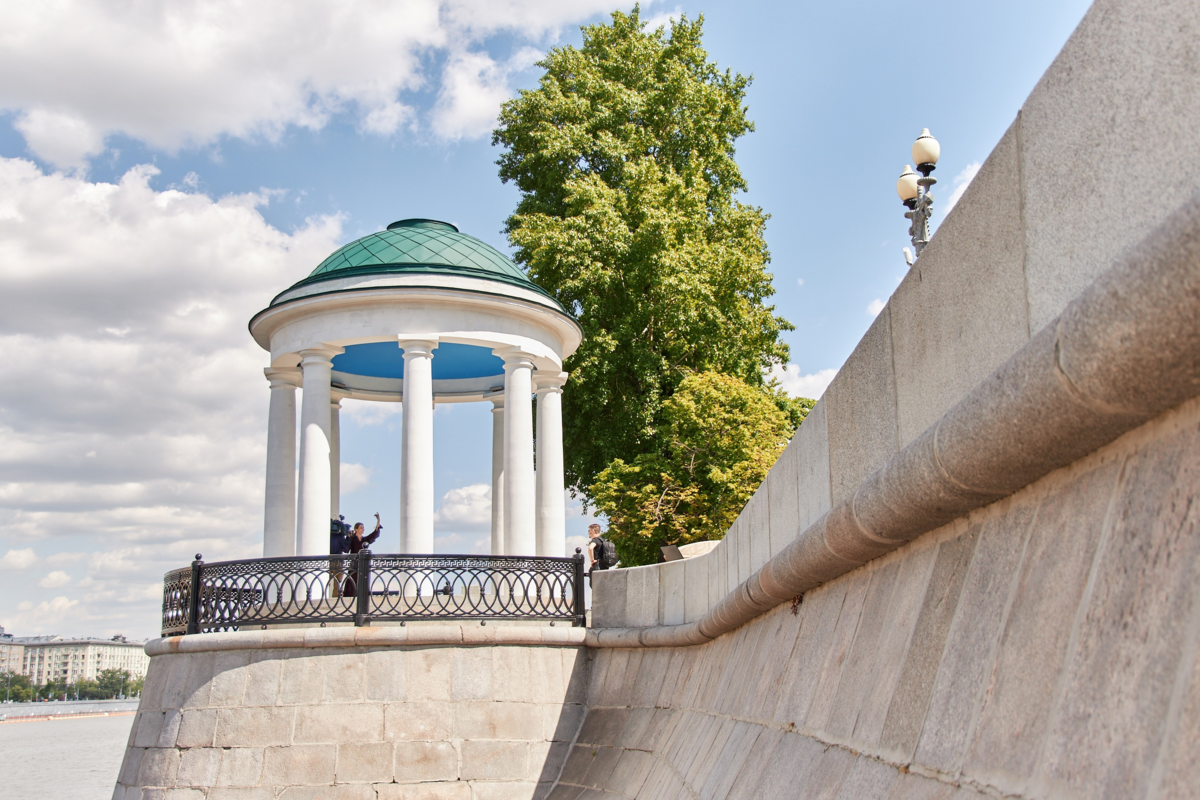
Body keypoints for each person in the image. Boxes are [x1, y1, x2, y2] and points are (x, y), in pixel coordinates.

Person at [342, 513, 382, 598]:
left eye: (363, 528)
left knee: (362, 580)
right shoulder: (352, 539)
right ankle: (350, 596)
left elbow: (373, 535)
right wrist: (348, 537)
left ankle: (361, 596)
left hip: (362, 564)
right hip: (354, 564)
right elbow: (346, 549)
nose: (362, 529)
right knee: (352, 581)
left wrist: (378, 521)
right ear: (356, 529)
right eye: (361, 528)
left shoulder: (364, 540)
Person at [329, 516, 351, 598]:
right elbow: (346, 549)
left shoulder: (327, 536)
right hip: (338, 562)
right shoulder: (339, 537)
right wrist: (348, 538)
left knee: (324, 581)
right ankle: (335, 600)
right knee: (337, 584)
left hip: (327, 561)